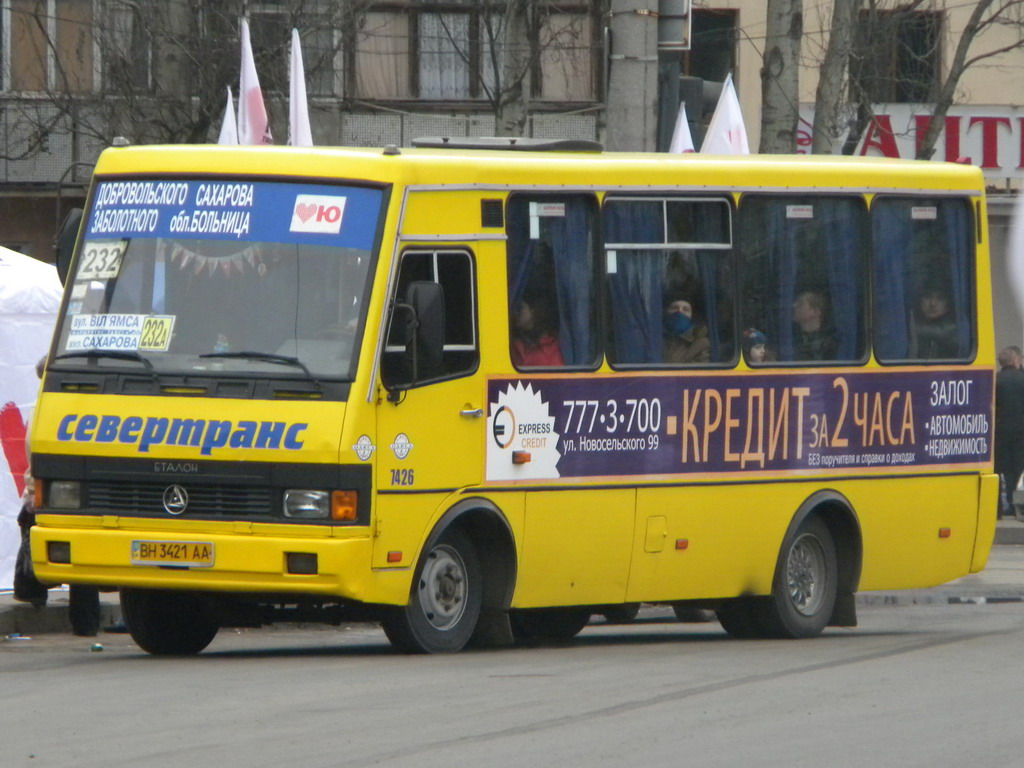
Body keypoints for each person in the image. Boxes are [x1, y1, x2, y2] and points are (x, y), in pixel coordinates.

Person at [995, 346, 1024, 518]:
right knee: (1018, 470)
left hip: (999, 433)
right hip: (1021, 433)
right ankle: (1017, 507)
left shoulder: (995, 380)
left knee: (999, 471)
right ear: (1015, 360)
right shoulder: (1022, 379)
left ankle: (997, 509)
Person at [910, 283, 959, 359]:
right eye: (927, 297)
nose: (933, 303)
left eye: (940, 298)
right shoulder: (911, 321)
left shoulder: (957, 330)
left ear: (948, 304)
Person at [510, 298, 564, 366]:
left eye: (519, 308)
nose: (515, 313)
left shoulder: (553, 345)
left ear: (533, 310)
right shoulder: (514, 344)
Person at [663, 295, 710, 364]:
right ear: (667, 313)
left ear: (691, 316)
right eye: (675, 308)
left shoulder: (702, 344)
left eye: (685, 309)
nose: (679, 312)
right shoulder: (655, 339)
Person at [792, 289, 836, 361]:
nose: (794, 306)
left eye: (800, 304)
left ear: (816, 312)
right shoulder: (791, 339)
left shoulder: (829, 345)